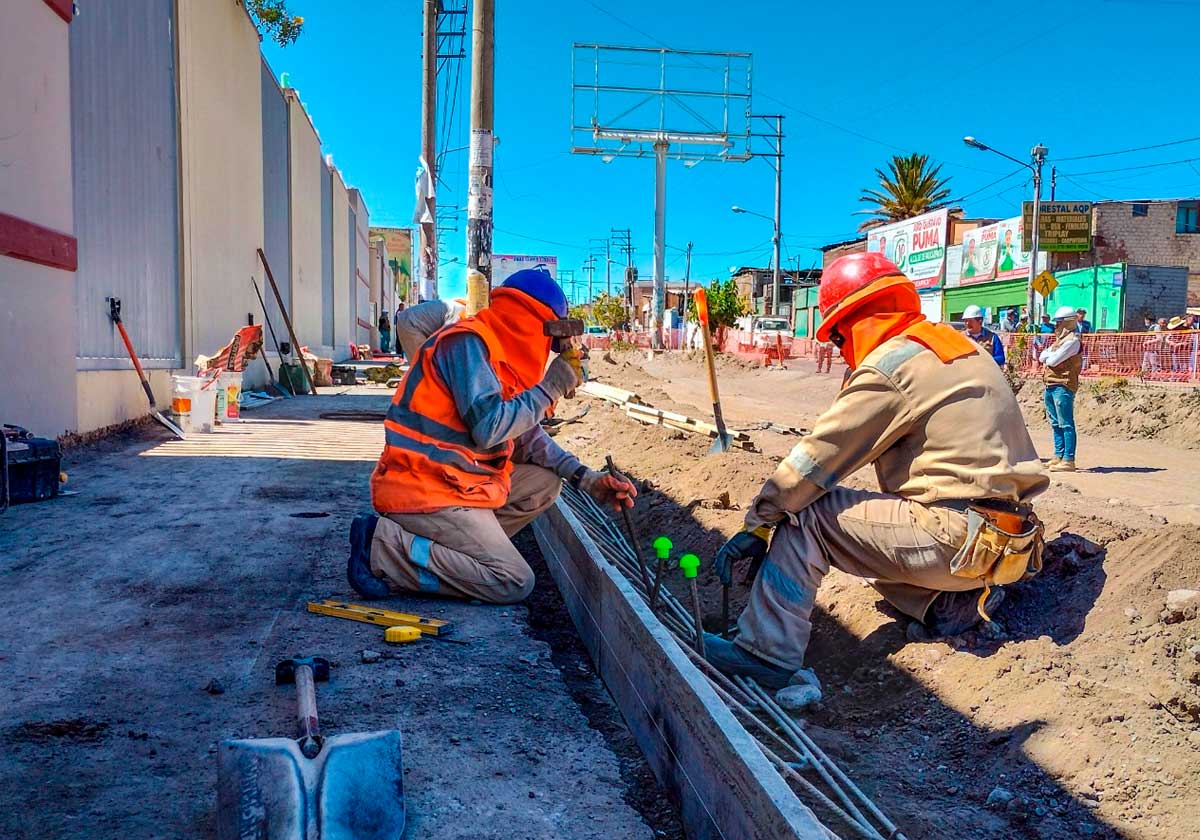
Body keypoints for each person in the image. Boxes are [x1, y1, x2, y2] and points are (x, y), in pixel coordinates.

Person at [704, 253, 1048, 695]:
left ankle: (763, 654)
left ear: (851, 323)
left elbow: (815, 462)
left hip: (956, 537)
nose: (839, 351)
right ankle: (947, 604)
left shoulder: (893, 364)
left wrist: (760, 522)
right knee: (873, 530)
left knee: (808, 513)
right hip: (1009, 543)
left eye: (836, 339)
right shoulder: (954, 346)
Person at [346, 268, 637, 604]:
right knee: (513, 580)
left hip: (456, 483)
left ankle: (464, 554)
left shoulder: (499, 354)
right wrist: (550, 388)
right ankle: (383, 548)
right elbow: (490, 429)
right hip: (421, 489)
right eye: (551, 340)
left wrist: (585, 478)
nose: (550, 351)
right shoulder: (468, 344)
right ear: (532, 324)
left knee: (544, 484)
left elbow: (524, 434)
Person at [1040, 306, 1083, 472]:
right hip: (1051, 384)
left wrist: (1049, 356)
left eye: (1058, 323)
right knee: (1055, 423)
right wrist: (1049, 356)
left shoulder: (1072, 341)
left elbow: (1052, 361)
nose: (1056, 327)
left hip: (1064, 384)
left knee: (1066, 424)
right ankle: (1058, 456)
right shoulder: (1060, 341)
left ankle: (1068, 459)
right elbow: (1043, 356)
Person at [394, 297, 468, 362]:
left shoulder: (458, 308)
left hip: (410, 321)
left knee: (425, 365)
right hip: (411, 323)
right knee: (422, 366)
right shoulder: (460, 313)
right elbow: (446, 339)